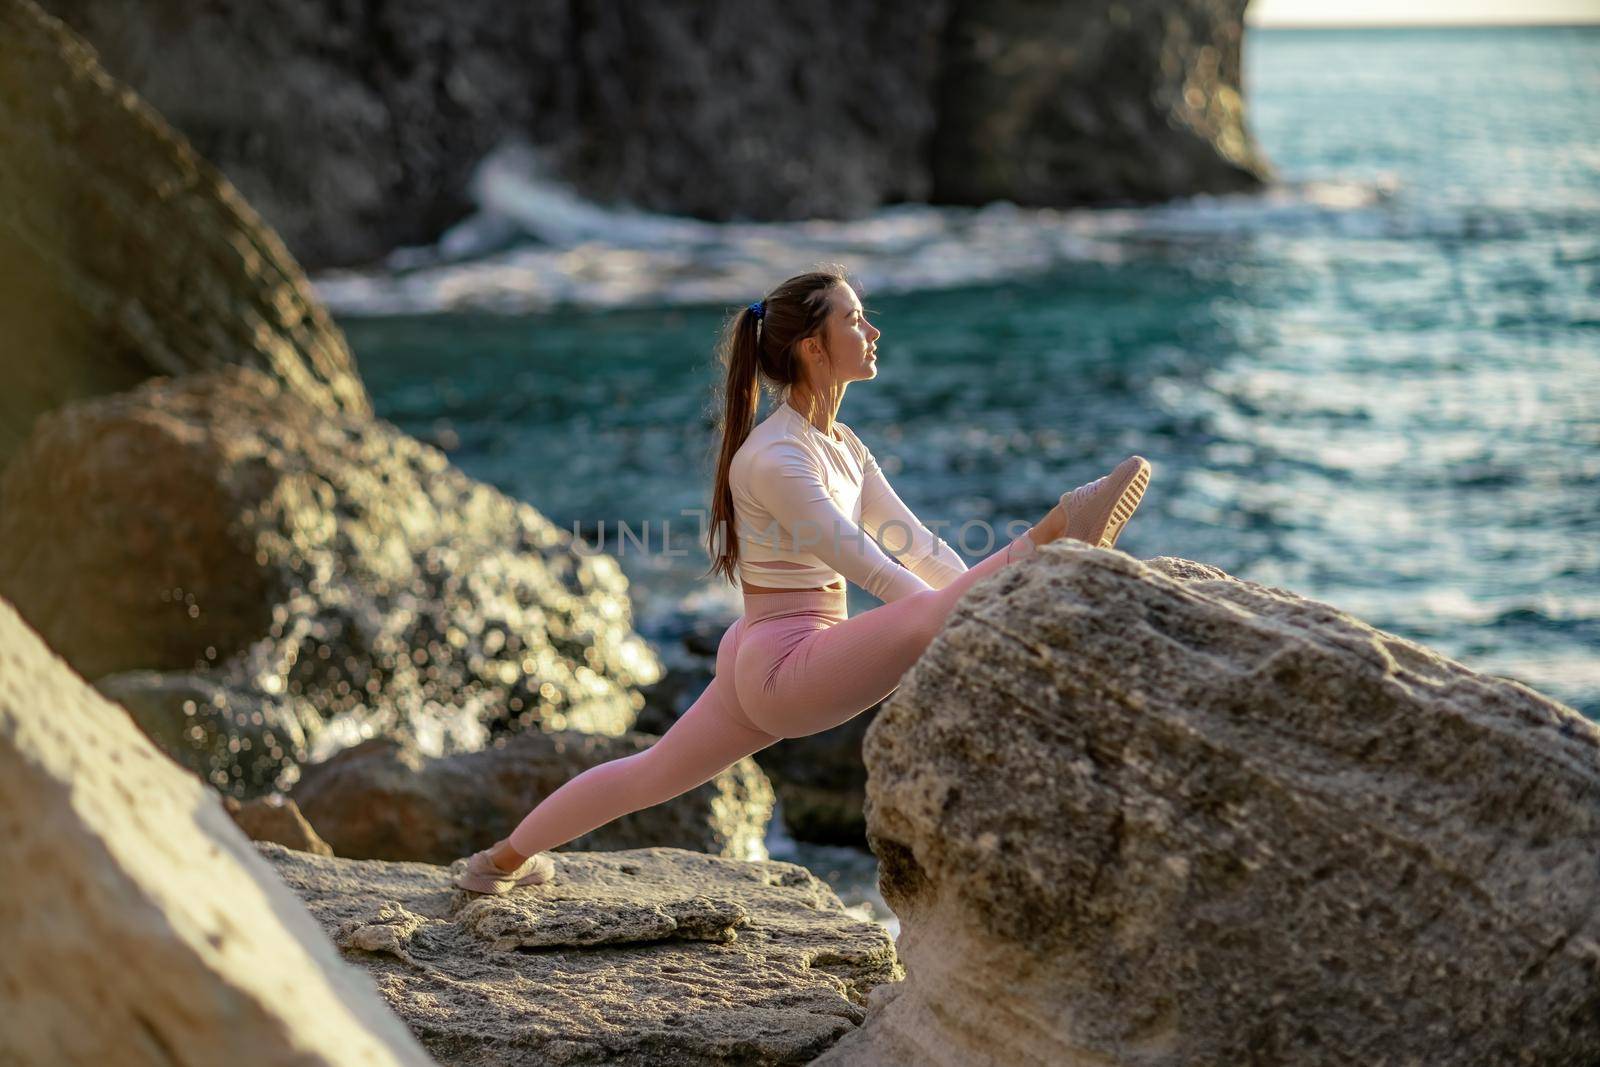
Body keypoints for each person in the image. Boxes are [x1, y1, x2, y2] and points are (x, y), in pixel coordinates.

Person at [454, 266, 1151, 894]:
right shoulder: (773, 458)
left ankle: (500, 861)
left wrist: (968, 595)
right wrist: (973, 611)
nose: (872, 330)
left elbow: (919, 547)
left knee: (648, 774)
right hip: (786, 666)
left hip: (772, 647)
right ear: (812, 348)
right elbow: (867, 565)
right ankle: (1061, 524)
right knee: (920, 618)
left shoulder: (842, 445)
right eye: (853, 319)